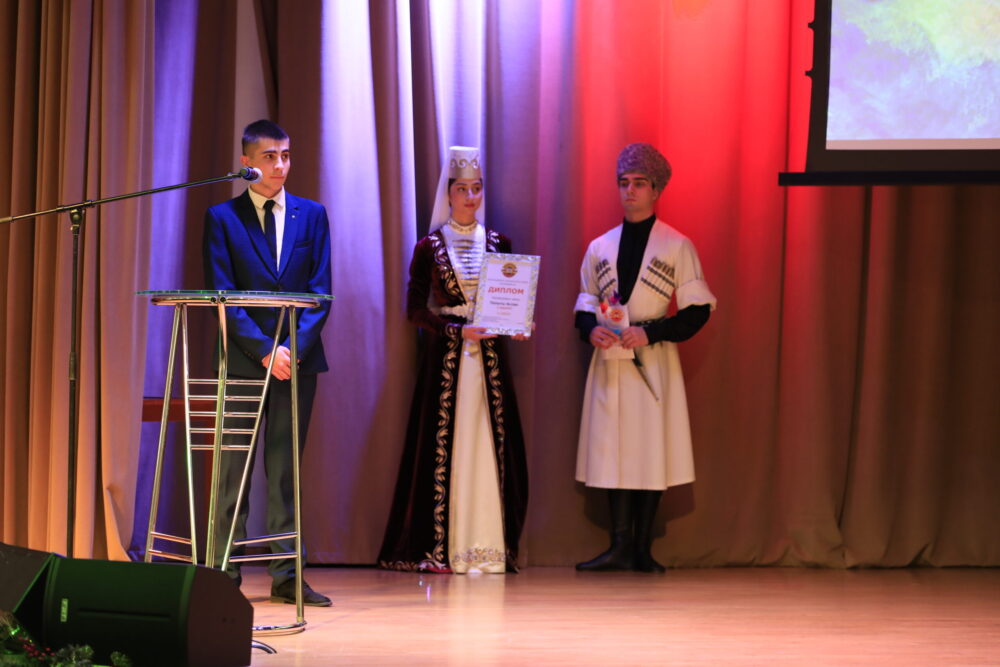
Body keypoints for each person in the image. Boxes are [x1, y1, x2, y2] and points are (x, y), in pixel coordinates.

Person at [378, 146, 529, 574]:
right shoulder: (429, 247)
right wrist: (454, 330)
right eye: (462, 189)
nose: (470, 197)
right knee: (448, 442)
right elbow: (414, 309)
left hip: (490, 360)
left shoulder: (499, 243)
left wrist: (516, 323)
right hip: (447, 360)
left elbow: (508, 298)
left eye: (476, 188)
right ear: (448, 193)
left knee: (489, 440)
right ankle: (444, 545)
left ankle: (489, 546)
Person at [202, 119, 332, 605]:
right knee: (232, 473)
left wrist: (290, 351)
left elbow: (320, 293)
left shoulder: (312, 215)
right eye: (270, 157)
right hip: (243, 362)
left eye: (286, 155)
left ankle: (287, 576)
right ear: (247, 163)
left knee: (285, 472)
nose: (280, 165)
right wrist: (262, 350)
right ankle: (222, 575)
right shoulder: (222, 217)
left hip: (296, 363)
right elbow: (222, 295)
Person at [574, 143, 716, 573]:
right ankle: (619, 545)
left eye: (639, 183)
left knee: (650, 448)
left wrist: (650, 333)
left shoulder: (676, 245)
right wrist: (590, 329)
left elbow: (697, 310)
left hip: (652, 359)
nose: (629, 190)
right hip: (610, 360)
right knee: (611, 448)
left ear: (656, 190)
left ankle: (640, 548)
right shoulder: (600, 246)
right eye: (623, 182)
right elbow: (585, 302)